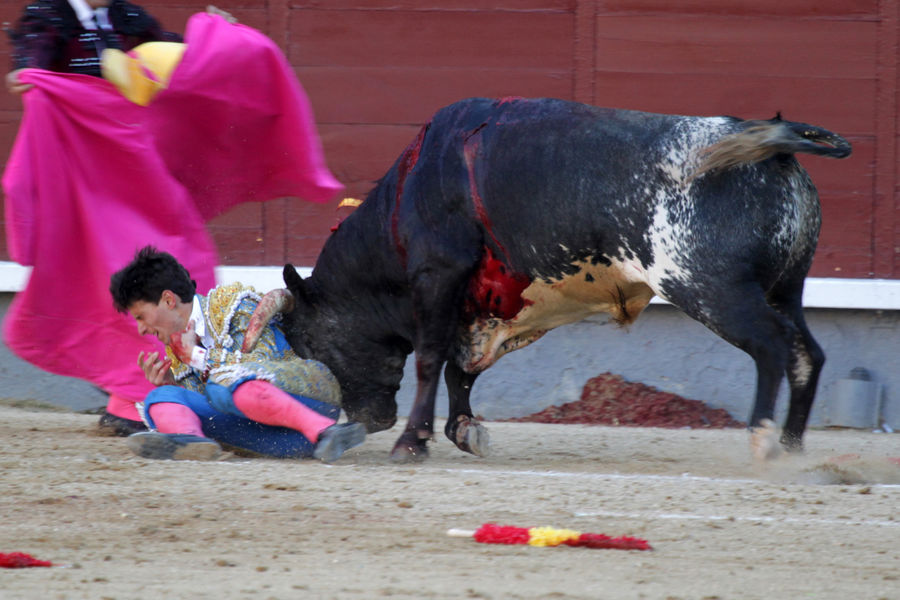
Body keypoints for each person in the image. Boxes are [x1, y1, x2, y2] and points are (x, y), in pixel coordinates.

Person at [3, 5, 341, 437]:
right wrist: (30, 74)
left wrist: (221, 41)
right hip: (88, 176)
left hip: (137, 165)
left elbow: (181, 60)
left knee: (182, 266)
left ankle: (133, 396)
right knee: (115, 278)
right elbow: (31, 60)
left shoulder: (125, 15)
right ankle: (131, 397)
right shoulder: (48, 14)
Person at [109, 246, 366, 462]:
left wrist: (197, 357)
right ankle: (192, 445)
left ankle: (327, 432)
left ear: (168, 300)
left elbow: (262, 366)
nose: (142, 329)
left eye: (141, 317)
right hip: (277, 439)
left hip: (310, 401)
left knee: (222, 384)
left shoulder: (234, 304)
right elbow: (216, 407)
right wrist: (173, 384)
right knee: (160, 396)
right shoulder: (178, 352)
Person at [6, 0, 183, 95]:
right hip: (73, 129)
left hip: (122, 128)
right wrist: (26, 68)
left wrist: (209, 37)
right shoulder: (48, 14)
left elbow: (168, 47)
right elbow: (35, 47)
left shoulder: (126, 13)